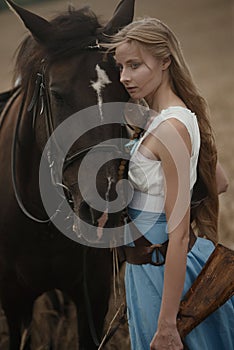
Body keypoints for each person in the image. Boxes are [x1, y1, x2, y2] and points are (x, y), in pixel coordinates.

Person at [106, 18, 233, 349]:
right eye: (120, 66)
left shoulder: (170, 127)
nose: (124, 77)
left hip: (162, 271)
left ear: (165, 61)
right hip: (153, 266)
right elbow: (218, 182)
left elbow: (177, 236)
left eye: (135, 65)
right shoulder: (171, 117)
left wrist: (167, 325)